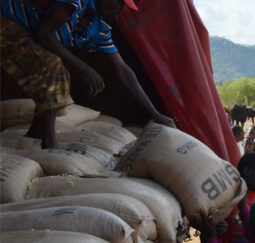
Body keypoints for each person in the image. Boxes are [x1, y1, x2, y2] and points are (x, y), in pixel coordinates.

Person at [0, 0, 173, 149]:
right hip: (6, 19)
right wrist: (84, 69)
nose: (119, 10)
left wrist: (155, 114)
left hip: (24, 32)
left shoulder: (99, 29)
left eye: (124, 6)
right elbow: (44, 34)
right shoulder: (75, 2)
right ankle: (49, 142)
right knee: (51, 67)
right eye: (118, 2)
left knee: (60, 75)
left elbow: (123, 70)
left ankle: (36, 132)